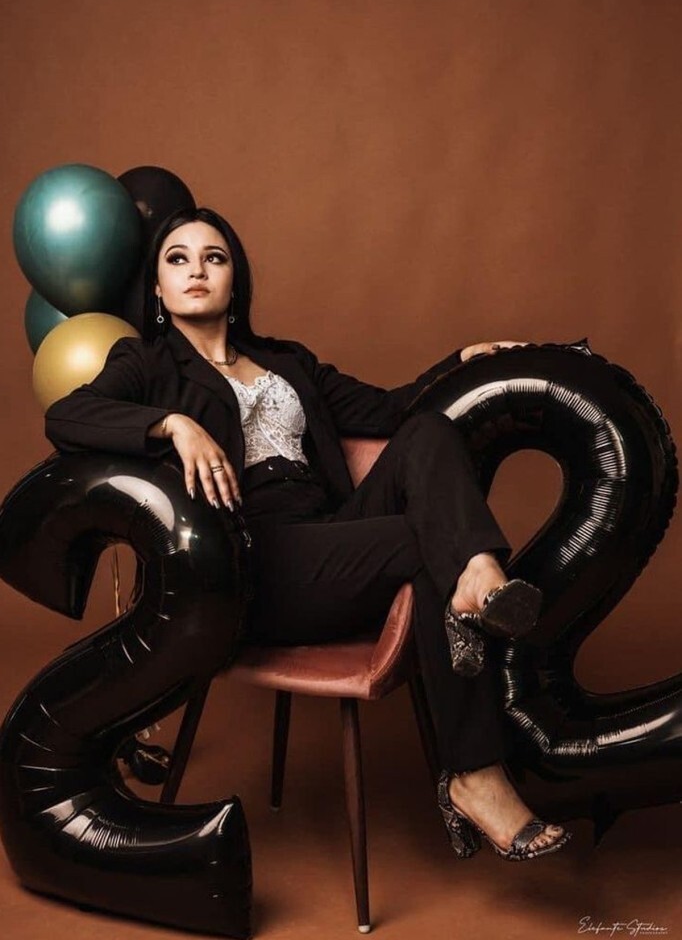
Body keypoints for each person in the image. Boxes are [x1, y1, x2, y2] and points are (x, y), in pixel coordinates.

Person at [44, 206, 572, 862]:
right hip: (250, 562)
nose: (196, 271)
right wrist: (172, 425)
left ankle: (475, 578)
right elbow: (68, 416)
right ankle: (474, 762)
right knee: (428, 549)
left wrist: (460, 363)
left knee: (429, 432)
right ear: (157, 286)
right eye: (177, 259)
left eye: (214, 257)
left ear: (236, 279)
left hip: (331, 539)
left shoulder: (288, 362)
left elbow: (395, 408)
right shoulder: (147, 364)